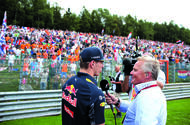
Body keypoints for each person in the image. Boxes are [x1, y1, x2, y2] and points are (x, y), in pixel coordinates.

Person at [105, 55, 167, 125]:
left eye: (135, 70)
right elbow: (137, 108)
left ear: (147, 75)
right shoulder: (148, 92)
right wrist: (118, 102)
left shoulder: (147, 96)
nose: (131, 73)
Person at [62, 47, 105, 125]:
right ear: (92, 64)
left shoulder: (68, 82)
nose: (103, 66)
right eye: (101, 62)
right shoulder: (96, 93)